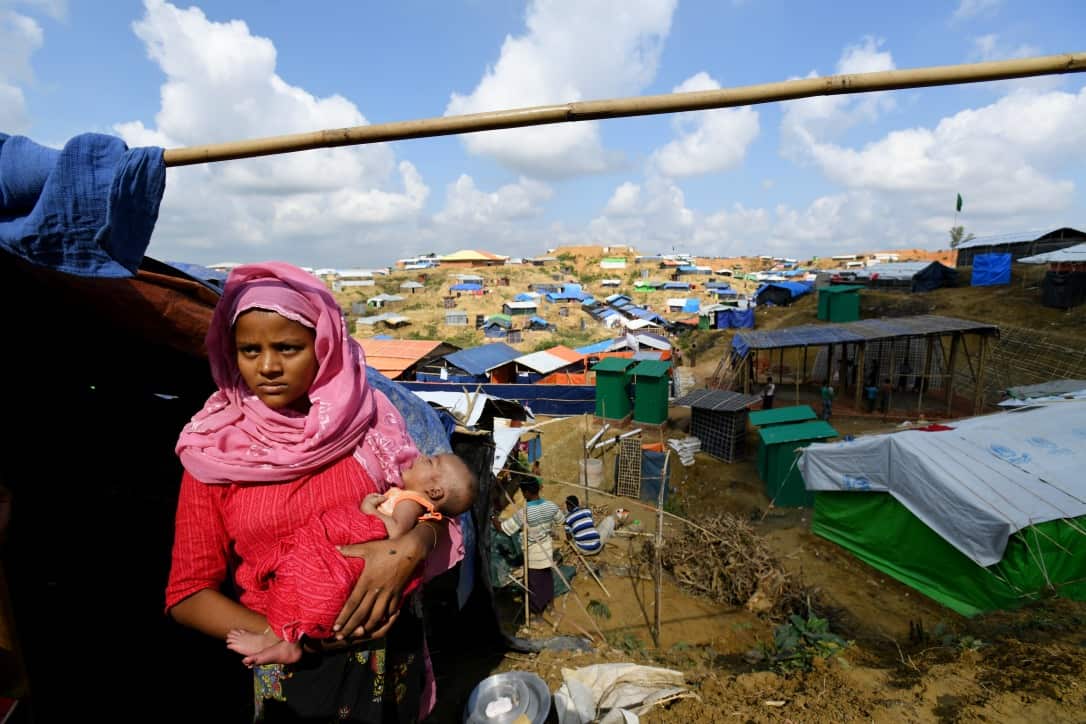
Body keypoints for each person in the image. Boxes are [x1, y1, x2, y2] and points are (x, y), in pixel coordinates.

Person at [166, 262, 461, 722]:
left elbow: (437, 505)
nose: (267, 366)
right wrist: (289, 634)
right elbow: (187, 593)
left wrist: (412, 547)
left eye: (287, 348)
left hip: (388, 651)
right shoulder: (212, 451)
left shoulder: (370, 425)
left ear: (323, 347)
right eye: (249, 350)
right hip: (294, 671)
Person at [225, 452, 477, 667]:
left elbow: (396, 532)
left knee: (304, 577)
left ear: (435, 491)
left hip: (359, 550)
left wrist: (368, 511)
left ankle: (281, 638)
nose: (422, 457)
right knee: (303, 583)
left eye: (431, 462)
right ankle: (287, 638)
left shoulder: (411, 501)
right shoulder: (411, 500)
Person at [491, 478, 565, 619]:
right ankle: (551, 607)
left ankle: (537, 614)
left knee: (534, 585)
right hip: (547, 550)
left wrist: (493, 517)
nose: (522, 495)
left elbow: (503, 529)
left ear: (526, 492)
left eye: (523, 492)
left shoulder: (524, 513)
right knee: (547, 580)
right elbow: (561, 520)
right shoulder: (550, 506)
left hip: (533, 555)